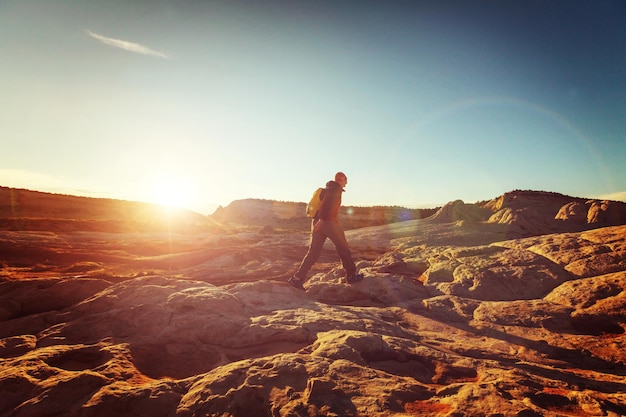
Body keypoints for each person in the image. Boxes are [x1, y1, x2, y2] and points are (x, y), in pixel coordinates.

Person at [289, 172, 363, 290]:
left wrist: (320, 221)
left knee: (313, 252)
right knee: (343, 247)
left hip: (317, 222)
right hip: (327, 222)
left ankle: (297, 279)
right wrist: (323, 220)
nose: (346, 183)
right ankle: (351, 275)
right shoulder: (335, 189)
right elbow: (327, 206)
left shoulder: (327, 188)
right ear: (341, 180)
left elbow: (325, 206)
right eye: (346, 180)